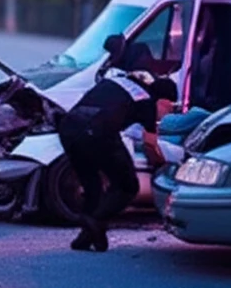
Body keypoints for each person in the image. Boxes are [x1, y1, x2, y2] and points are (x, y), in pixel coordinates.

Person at [59, 62, 179, 253]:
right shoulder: (147, 101)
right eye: (169, 106)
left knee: (93, 186)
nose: (168, 111)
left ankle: (86, 237)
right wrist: (164, 165)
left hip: (69, 129)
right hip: (97, 132)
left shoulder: (120, 80)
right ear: (162, 99)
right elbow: (151, 145)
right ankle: (95, 220)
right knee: (127, 186)